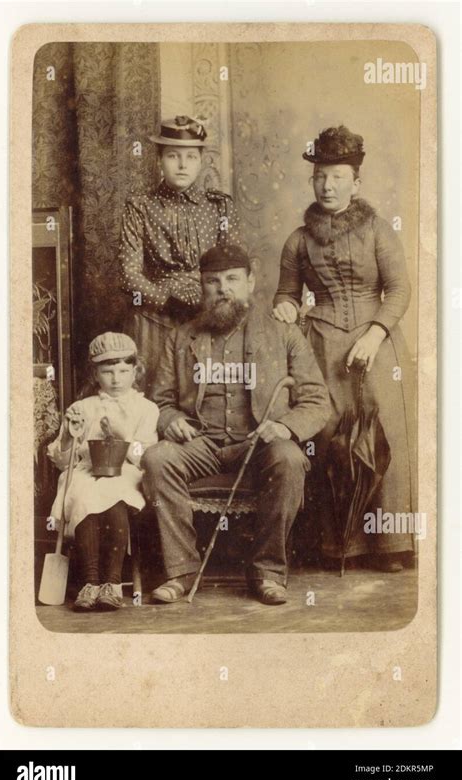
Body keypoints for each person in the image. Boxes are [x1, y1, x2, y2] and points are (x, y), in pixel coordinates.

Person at [141, 244, 331, 605]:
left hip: (259, 444)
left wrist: (285, 428)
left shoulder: (283, 333)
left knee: (289, 459)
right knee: (156, 459)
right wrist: (172, 420)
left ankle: (268, 572)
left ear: (251, 282)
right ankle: (180, 572)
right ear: (202, 286)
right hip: (201, 444)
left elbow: (318, 401)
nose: (223, 289)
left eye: (232, 280)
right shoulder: (181, 337)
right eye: (213, 281)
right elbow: (160, 402)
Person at [273, 125, 416, 571]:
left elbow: (399, 289)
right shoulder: (298, 239)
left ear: (356, 182)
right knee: (331, 439)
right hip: (321, 348)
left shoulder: (377, 230)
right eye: (320, 176)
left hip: (379, 345)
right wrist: (285, 307)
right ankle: (340, 546)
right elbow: (286, 294)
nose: (327, 185)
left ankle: (389, 545)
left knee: (383, 435)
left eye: (337, 176)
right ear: (312, 180)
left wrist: (374, 334)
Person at [119, 114, 242, 396]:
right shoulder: (140, 206)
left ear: (201, 160)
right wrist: (165, 301)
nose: (183, 165)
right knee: (151, 397)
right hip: (155, 316)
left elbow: (234, 265)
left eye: (191, 157)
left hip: (208, 311)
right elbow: (129, 274)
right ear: (159, 160)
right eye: (173, 156)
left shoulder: (220, 206)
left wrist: (211, 302)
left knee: (207, 395)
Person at [47, 332, 159, 611]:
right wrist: (69, 437)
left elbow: (145, 458)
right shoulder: (82, 408)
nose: (116, 379)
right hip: (86, 471)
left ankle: (111, 582)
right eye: (107, 372)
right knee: (84, 493)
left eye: (123, 371)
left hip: (127, 472)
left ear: (136, 371)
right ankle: (90, 582)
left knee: (113, 493)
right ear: (95, 373)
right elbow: (64, 462)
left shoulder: (146, 409)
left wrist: (123, 436)